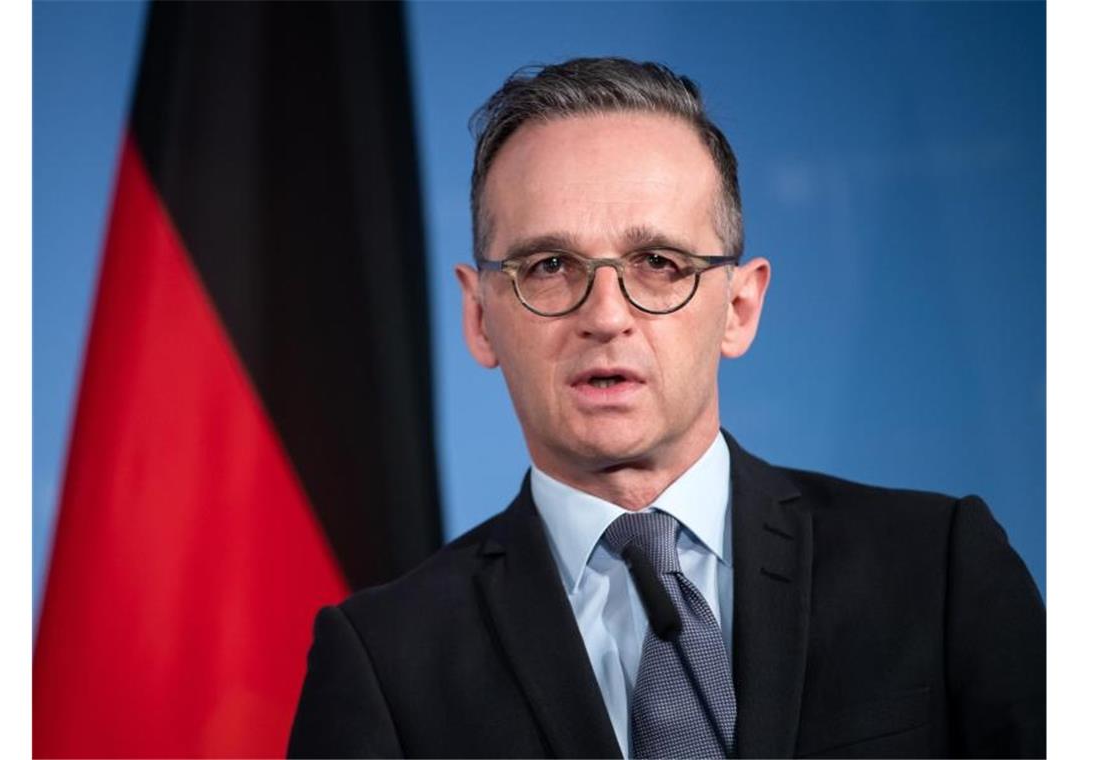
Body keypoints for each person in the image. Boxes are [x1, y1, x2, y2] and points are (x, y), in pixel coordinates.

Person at [288, 57, 1044, 759]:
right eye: (551, 266)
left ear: (739, 308)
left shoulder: (937, 569)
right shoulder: (385, 660)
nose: (606, 315)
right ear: (481, 317)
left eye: (659, 264)